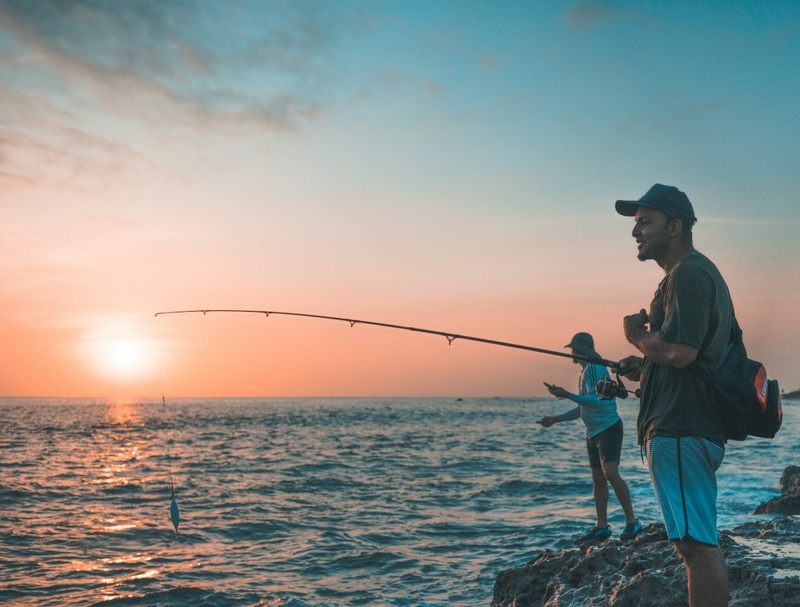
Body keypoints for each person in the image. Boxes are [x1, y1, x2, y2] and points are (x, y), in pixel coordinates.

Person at [615, 183, 732, 607]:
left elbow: (681, 354)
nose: (636, 232)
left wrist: (636, 337)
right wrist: (644, 363)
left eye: (645, 222)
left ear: (676, 226)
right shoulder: (681, 278)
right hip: (683, 427)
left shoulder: (690, 274)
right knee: (695, 543)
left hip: (682, 428)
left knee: (695, 547)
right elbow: (685, 356)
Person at [537, 332, 642, 542]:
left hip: (608, 428)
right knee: (598, 480)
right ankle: (602, 526)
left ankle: (632, 522)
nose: (572, 353)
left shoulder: (595, 367)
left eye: (574, 349)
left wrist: (566, 394)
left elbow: (598, 402)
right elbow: (583, 408)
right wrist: (555, 419)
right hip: (592, 432)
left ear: (581, 350)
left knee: (610, 473)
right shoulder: (583, 372)